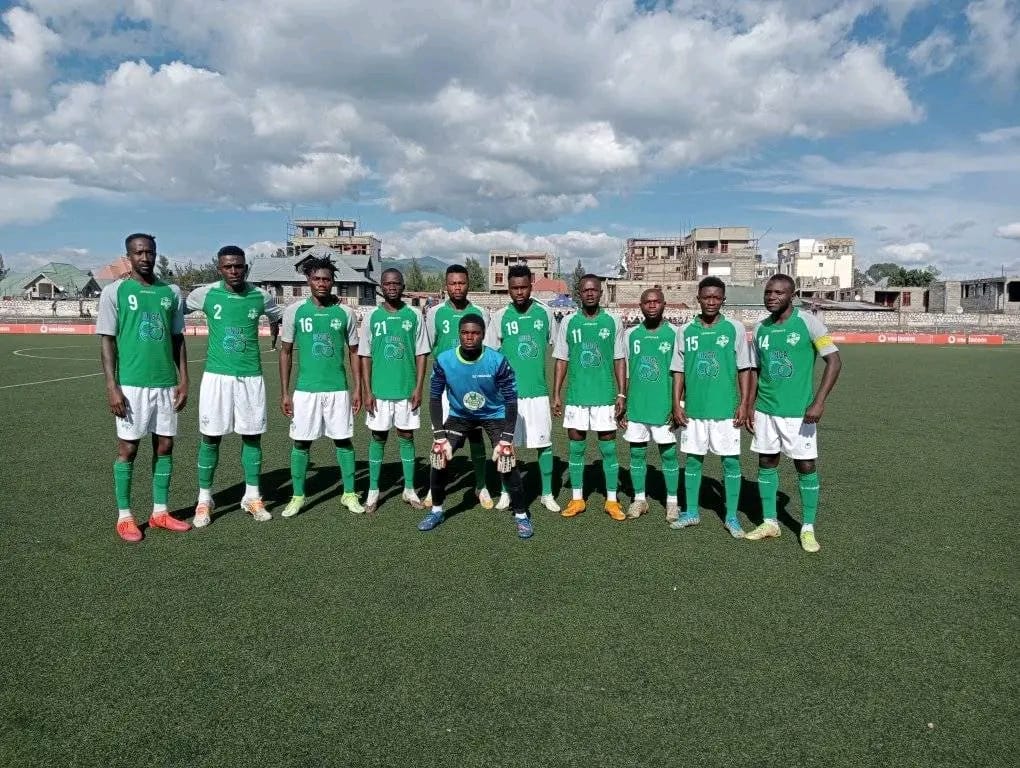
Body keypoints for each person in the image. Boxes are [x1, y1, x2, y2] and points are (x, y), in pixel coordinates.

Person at [97, 233, 190, 542]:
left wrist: (184, 378)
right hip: (132, 385)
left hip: (165, 383)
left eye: (150, 252)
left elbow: (178, 338)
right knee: (128, 448)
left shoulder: (171, 292)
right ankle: (124, 517)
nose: (145, 257)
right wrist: (113, 386)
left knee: (165, 446)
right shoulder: (115, 292)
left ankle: (160, 512)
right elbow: (107, 340)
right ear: (129, 256)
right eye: (139, 253)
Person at [186, 245, 284, 526]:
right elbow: (173, 309)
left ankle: (251, 496)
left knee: (252, 436)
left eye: (238, 266)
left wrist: (275, 342)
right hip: (217, 377)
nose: (234, 271)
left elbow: (279, 317)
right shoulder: (204, 294)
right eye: (228, 266)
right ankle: (205, 499)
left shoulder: (260, 295)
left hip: (251, 377)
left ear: (245, 267)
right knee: (211, 437)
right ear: (220, 268)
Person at [746, 274, 842, 553]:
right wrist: (750, 405)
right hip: (766, 409)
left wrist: (819, 401)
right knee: (766, 461)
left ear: (792, 295)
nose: (771, 297)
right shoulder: (761, 329)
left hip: (799, 412)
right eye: (768, 292)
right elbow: (756, 370)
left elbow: (834, 362)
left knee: (805, 466)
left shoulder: (807, 322)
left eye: (778, 293)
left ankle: (808, 528)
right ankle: (769, 522)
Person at [418, 315, 533, 539]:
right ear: (459, 334)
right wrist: (439, 435)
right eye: (465, 333)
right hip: (460, 415)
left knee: (506, 458)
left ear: (482, 334)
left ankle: (521, 515)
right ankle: (437, 511)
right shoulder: (444, 360)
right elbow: (433, 398)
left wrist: (507, 437)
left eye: (475, 333)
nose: (470, 337)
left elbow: (511, 400)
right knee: (439, 454)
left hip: (494, 414)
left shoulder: (497, 360)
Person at [278, 256, 363, 518]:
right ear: (308, 281)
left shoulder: (345, 313)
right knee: (301, 443)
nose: (322, 283)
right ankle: (298, 496)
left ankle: (349, 494)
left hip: (337, 388)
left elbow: (354, 353)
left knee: (343, 441)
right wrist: (285, 391)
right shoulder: (294, 312)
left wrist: (358, 388)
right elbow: (286, 353)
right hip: (306, 390)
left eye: (326, 279)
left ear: (333, 281)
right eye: (317, 279)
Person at [670, 277, 754, 537]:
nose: (711, 302)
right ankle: (692, 512)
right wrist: (677, 404)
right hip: (695, 409)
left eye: (716, 297)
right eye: (706, 297)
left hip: (725, 409)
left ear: (723, 300)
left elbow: (745, 368)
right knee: (693, 461)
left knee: (731, 463)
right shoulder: (685, 331)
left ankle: (731, 516)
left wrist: (744, 404)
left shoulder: (735, 329)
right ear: (698, 298)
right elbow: (678, 370)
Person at [485, 264, 560, 512]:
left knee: (544, 444)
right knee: (507, 445)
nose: (519, 292)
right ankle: (506, 492)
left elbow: (558, 350)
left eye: (524, 287)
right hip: (508, 395)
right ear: (508, 288)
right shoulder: (499, 317)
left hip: (537, 392)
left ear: (531, 285)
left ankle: (547, 494)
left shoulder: (545, 314)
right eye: (514, 288)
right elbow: (490, 357)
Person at [552, 274, 627, 520]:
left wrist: (621, 393)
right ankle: (577, 499)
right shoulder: (569, 322)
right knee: (576, 448)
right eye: (585, 290)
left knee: (609, 448)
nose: (590, 294)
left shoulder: (613, 322)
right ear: (579, 294)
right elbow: (561, 358)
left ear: (601, 292)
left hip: (605, 396)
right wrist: (557, 394)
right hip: (576, 396)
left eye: (594, 290)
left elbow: (619, 359)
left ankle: (612, 501)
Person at [359, 268, 430, 513]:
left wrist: (419, 387)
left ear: (402, 286)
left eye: (396, 283)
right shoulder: (371, 318)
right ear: (381, 286)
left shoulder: (413, 315)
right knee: (378, 437)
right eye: (387, 283)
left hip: (406, 391)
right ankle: (373, 491)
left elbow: (422, 354)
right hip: (379, 392)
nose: (392, 287)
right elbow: (365, 356)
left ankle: (409, 489)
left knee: (407, 436)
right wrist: (368, 391)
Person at [423, 264, 493, 509]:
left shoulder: (480, 313)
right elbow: (427, 347)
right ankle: (435, 489)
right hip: (444, 388)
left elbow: (488, 351)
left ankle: (481, 486)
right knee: (439, 439)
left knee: (475, 436)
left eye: (461, 283)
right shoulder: (434, 314)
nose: (457, 287)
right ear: (446, 285)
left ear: (468, 285)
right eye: (452, 283)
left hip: (472, 387)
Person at [620, 288, 681, 521]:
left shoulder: (676, 334)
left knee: (668, 455)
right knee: (636, 454)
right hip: (637, 406)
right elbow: (624, 371)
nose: (652, 305)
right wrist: (623, 400)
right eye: (648, 302)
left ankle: (672, 503)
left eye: (657, 302)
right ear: (641, 306)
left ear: (664, 304)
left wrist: (679, 404)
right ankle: (639, 499)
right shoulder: (631, 335)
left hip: (664, 407)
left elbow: (680, 373)